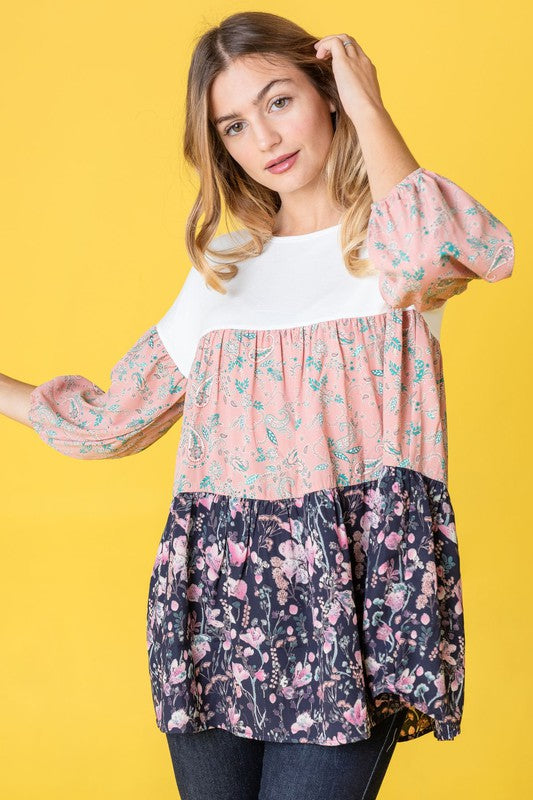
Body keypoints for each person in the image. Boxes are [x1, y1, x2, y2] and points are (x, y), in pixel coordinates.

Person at [0, 10, 515, 800]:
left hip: (352, 596)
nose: (263, 139)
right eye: (233, 125)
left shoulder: (389, 237)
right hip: (219, 597)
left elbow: (448, 250)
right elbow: (112, 422)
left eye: (279, 101)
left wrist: (368, 100)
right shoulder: (226, 265)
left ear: (326, 92)